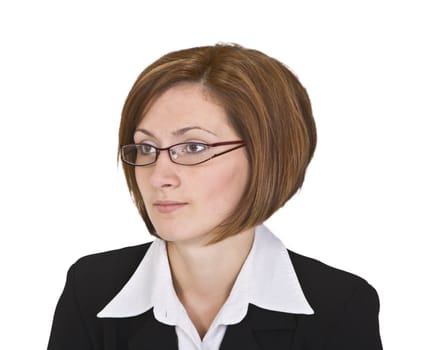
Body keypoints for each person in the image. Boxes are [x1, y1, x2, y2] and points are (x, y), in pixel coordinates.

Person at [47, 43, 383, 350]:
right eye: (147, 147)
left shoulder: (340, 305)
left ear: (267, 156)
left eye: (193, 147)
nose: (159, 176)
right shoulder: (91, 290)